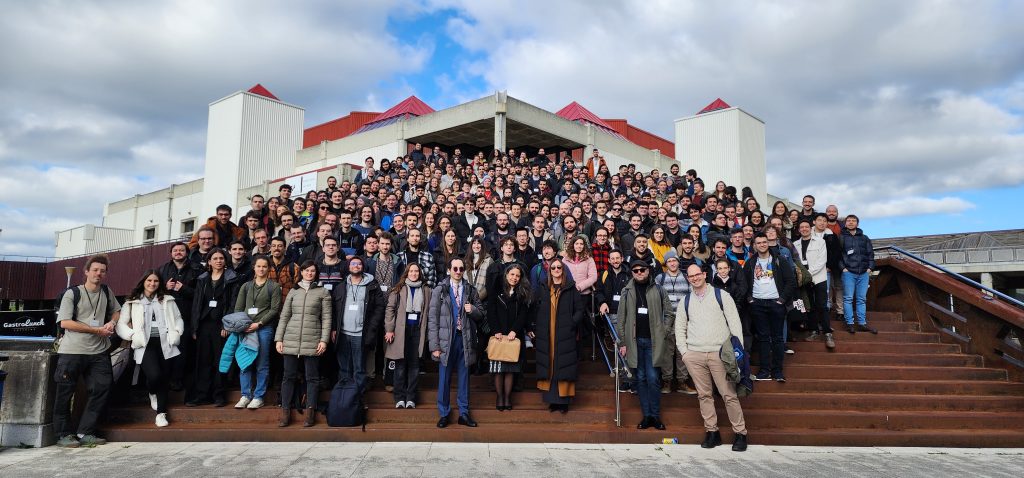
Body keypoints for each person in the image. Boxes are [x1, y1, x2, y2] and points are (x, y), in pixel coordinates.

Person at [677, 264, 748, 451]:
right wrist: (685, 353)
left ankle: (740, 433)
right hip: (695, 354)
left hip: (719, 353)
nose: (694, 278)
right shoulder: (685, 301)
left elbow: (735, 324)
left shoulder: (721, 296)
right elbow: (679, 329)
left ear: (705, 274)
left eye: (697, 274)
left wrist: (736, 353)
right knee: (704, 395)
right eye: (690, 276)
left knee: (729, 395)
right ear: (688, 278)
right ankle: (712, 432)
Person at [53, 255, 121, 447]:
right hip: (72, 350)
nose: (99, 274)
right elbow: (65, 322)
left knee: (101, 388)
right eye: (95, 270)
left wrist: (112, 322)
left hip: (99, 351)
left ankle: (86, 431)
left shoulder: (107, 291)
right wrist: (95, 330)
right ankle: (63, 434)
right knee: (65, 392)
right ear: (86, 272)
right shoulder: (72, 293)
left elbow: (117, 310)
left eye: (102, 271)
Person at [117, 270, 184, 428]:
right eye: (149, 281)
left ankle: (161, 414)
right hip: (145, 344)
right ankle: (151, 391)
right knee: (154, 375)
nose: (152, 284)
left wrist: (177, 331)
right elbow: (121, 323)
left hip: (165, 342)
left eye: (155, 281)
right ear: (143, 282)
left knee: (164, 378)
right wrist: (132, 335)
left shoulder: (167, 300)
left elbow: (178, 318)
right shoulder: (132, 302)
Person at [615, 259, 672, 430]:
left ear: (648, 270)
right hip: (634, 342)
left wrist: (664, 331)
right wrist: (623, 341)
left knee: (653, 379)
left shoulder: (659, 289)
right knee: (640, 378)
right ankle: (646, 416)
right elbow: (621, 318)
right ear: (632, 273)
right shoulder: (626, 291)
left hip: (653, 341)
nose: (639, 272)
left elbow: (669, 313)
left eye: (642, 270)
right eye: (635, 270)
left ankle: (655, 415)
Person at [428, 257, 484, 428]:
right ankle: (444, 413)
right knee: (444, 378)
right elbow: (433, 319)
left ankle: (464, 413)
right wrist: (435, 346)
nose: (458, 272)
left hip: (464, 339)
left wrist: (472, 310)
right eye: (455, 269)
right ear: (449, 270)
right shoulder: (440, 290)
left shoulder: (470, 289)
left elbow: (481, 313)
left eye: (461, 269)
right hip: (446, 340)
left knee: (464, 378)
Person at [275, 261, 332, 427]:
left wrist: (324, 340)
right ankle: (285, 412)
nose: (309, 273)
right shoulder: (294, 291)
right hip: (291, 338)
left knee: (312, 378)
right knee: (288, 376)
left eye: (312, 271)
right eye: (306, 270)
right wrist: (279, 338)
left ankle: (310, 412)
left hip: (312, 339)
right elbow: (284, 316)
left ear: (316, 273)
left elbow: (327, 319)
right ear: (302, 272)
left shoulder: (323, 292)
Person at [188, 248, 242, 407]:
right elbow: (197, 304)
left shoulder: (232, 278)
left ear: (225, 261)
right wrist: (194, 327)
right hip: (204, 324)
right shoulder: (202, 279)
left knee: (221, 360)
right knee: (203, 360)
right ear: (209, 262)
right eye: (215, 258)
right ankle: (202, 395)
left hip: (222, 325)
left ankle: (219, 395)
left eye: (221, 258)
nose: (218, 261)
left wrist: (228, 324)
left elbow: (233, 304)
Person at [743, 233, 796, 382]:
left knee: (778, 338)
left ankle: (777, 371)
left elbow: (791, 281)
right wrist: (750, 299)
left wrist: (782, 300)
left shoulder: (779, 260)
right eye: (758, 243)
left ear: (768, 243)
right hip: (758, 304)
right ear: (754, 245)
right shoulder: (751, 262)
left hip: (776, 303)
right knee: (763, 339)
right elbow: (744, 283)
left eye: (764, 242)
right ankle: (765, 370)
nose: (762, 245)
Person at [533, 258, 584, 413]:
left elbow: (580, 310)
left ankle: (564, 402)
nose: (556, 270)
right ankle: (552, 401)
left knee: (563, 365)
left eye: (559, 267)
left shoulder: (570, 287)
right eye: (553, 267)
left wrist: (571, 323)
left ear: (563, 270)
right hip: (547, 333)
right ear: (550, 271)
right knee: (550, 364)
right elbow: (535, 307)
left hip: (564, 333)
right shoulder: (543, 287)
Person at [232, 256, 283, 409]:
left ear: (269, 269)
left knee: (262, 362)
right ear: (254, 268)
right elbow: (238, 308)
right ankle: (245, 395)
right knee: (245, 361)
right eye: (258, 266)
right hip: (246, 329)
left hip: (264, 329)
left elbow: (274, 309)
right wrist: (244, 325)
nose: (261, 269)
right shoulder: (246, 286)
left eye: (264, 266)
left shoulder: (274, 287)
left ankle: (259, 396)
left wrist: (259, 323)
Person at [331, 256, 385, 393]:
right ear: (348, 267)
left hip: (361, 334)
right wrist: (333, 328)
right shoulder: (341, 287)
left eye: (359, 264)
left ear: (363, 267)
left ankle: (357, 399)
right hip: (343, 333)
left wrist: (371, 328)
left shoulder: (372, 285)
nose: (356, 266)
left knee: (359, 369)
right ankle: (344, 399)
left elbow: (379, 308)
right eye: (353, 263)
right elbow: (334, 310)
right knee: (344, 368)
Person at [384, 262, 430, 409]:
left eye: (416, 271)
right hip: (400, 331)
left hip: (417, 330)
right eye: (411, 271)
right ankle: (399, 397)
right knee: (400, 366)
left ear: (420, 273)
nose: (414, 274)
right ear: (407, 273)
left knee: (415, 366)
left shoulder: (427, 290)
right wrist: (389, 329)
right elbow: (390, 310)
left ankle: (411, 397)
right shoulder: (398, 289)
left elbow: (429, 312)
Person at [487, 263, 531, 411]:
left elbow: (524, 314)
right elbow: (491, 311)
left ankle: (507, 397)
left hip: (514, 335)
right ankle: (499, 397)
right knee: (499, 369)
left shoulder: (523, 292)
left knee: (511, 369)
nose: (515, 278)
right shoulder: (497, 290)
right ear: (506, 275)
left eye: (518, 276)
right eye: (512, 274)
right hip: (498, 334)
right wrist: (496, 330)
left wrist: (515, 330)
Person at [157, 242, 199, 391]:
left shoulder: (196, 268)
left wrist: (184, 289)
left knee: (182, 349)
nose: (178, 252)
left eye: (181, 250)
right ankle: (164, 379)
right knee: (166, 347)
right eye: (175, 250)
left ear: (187, 252)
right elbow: (153, 291)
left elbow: (200, 295)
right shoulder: (162, 270)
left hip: (187, 315)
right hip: (167, 315)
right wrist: (165, 289)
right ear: (171, 253)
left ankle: (177, 380)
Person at [654, 251, 695, 394]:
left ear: (678, 262)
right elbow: (655, 298)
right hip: (666, 319)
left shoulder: (686, 277)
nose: (672, 263)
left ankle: (682, 382)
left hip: (683, 319)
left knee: (682, 351)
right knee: (667, 351)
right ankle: (667, 382)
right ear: (666, 263)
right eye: (669, 261)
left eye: (674, 260)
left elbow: (692, 298)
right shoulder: (660, 278)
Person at [794, 220, 834, 349]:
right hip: (804, 280)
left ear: (810, 228)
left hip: (819, 278)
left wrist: (808, 273)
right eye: (802, 227)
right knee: (809, 306)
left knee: (822, 305)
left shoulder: (820, 242)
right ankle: (814, 331)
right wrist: (804, 276)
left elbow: (822, 260)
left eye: (806, 227)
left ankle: (827, 332)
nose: (804, 229)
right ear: (799, 230)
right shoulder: (795, 244)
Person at [840, 214, 878, 335]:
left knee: (861, 299)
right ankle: (850, 323)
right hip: (848, 272)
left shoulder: (864, 237)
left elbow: (870, 254)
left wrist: (870, 268)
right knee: (848, 298)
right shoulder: (841, 237)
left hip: (863, 272)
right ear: (845, 223)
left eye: (853, 221)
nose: (851, 222)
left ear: (857, 223)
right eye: (848, 221)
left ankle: (862, 323)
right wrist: (843, 268)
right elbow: (837, 255)